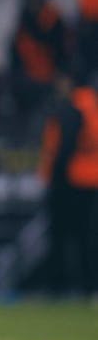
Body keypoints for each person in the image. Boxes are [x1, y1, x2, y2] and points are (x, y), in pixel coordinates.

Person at [38, 70, 98, 297]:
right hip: (89, 179)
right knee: (85, 236)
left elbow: (65, 147)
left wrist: (54, 175)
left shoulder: (73, 108)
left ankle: (61, 285)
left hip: (71, 180)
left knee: (64, 235)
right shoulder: (90, 105)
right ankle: (88, 285)